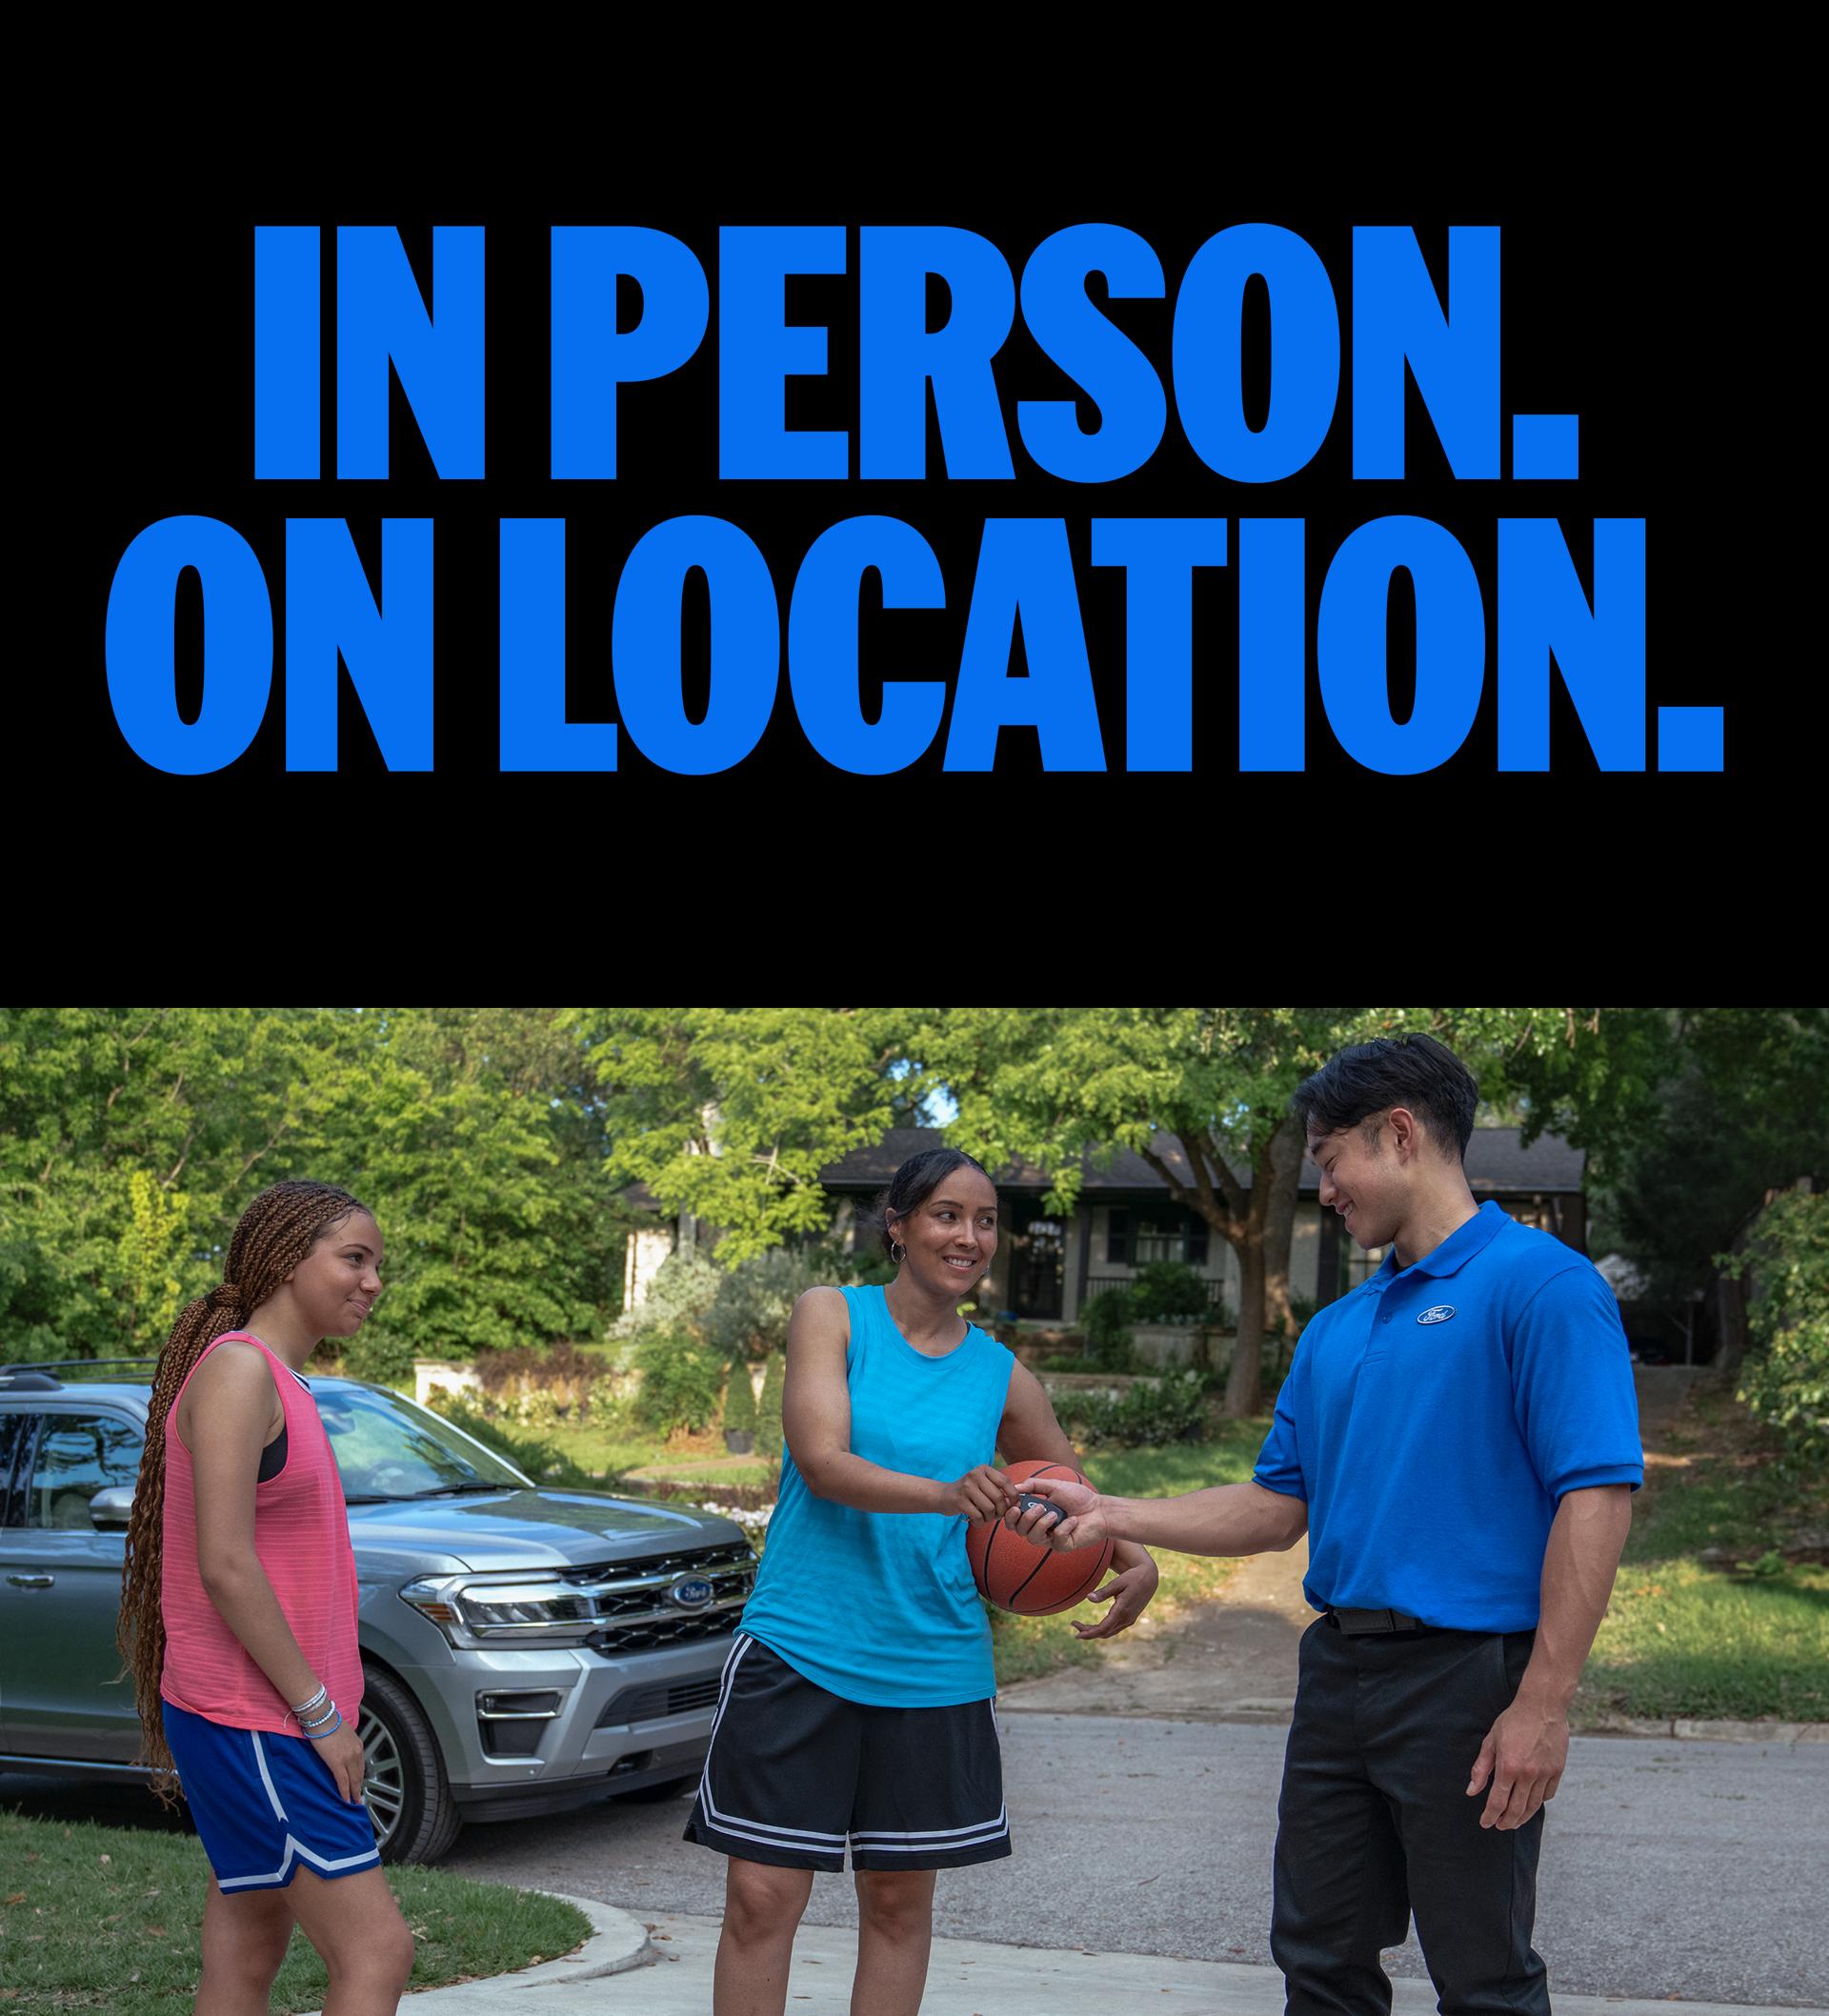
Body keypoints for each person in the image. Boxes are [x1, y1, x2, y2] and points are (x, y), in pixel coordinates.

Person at [1012, 1033, 1643, 2016]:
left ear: (1398, 1134)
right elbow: (1276, 1506)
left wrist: (1545, 1700)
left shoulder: (1544, 1287)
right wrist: (1111, 1512)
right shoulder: (1340, 1328)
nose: (1326, 1186)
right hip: (1340, 1673)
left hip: (1469, 1679)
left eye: (1329, 1157)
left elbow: (1596, 1496)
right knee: (1319, 1958)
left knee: (1483, 1975)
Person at [684, 1146, 1160, 2016]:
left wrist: (1129, 1550)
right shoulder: (832, 1315)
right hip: (803, 1645)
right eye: (947, 1215)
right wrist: (947, 1494)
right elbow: (823, 1462)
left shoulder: (1000, 1372)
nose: (969, 1236)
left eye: (985, 1222)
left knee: (900, 1906)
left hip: (932, 1666)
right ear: (897, 1227)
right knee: (761, 1900)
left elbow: (1068, 1490)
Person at [118, 1179, 416, 2016]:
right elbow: (226, 1566)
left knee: (250, 1944)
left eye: (377, 1264)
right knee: (377, 1953)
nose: (371, 1282)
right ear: (288, 1259)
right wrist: (321, 1714)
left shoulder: (278, 1380)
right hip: (259, 1720)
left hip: (265, 1717)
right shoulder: (239, 1374)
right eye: (352, 1259)